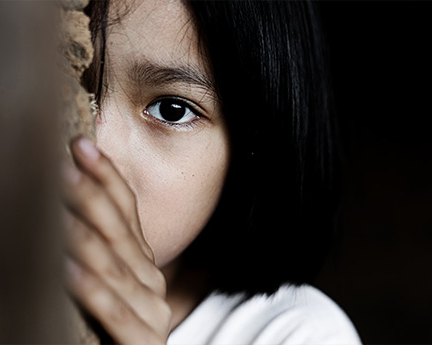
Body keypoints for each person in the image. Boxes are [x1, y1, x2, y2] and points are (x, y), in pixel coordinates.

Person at [62, 0, 361, 344]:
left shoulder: (294, 333)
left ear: (251, 151)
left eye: (172, 110)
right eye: (68, 86)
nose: (95, 144)